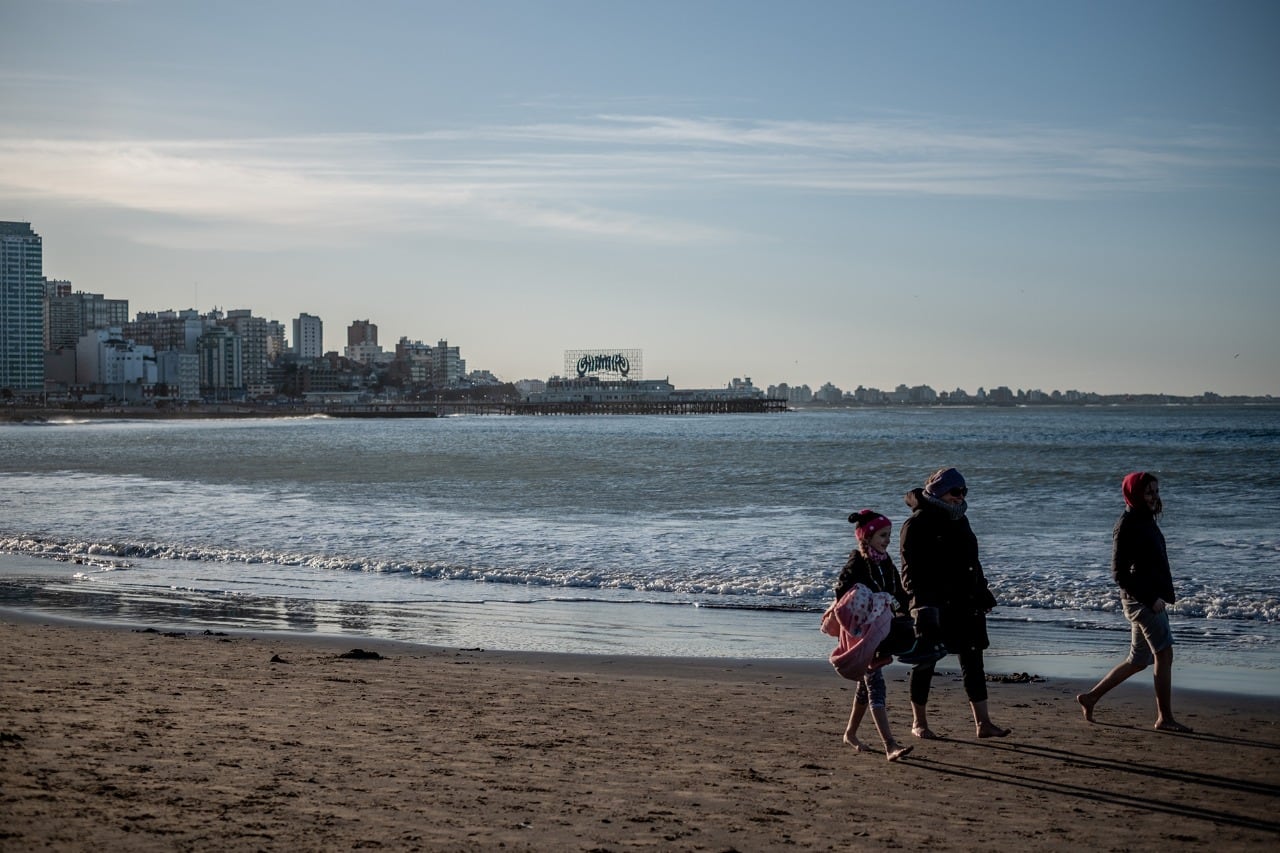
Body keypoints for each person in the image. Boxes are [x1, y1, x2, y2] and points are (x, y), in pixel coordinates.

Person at [899, 468, 1010, 740]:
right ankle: (919, 723)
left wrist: (983, 594)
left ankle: (983, 723)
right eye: (954, 492)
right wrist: (920, 607)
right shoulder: (916, 524)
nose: (960, 497)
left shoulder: (961, 520)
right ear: (938, 491)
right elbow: (909, 572)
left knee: (973, 662)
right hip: (933, 606)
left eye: (963, 492)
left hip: (966, 603)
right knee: (926, 662)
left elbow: (973, 563)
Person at [1077, 473, 1193, 732]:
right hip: (1142, 601)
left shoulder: (1145, 518)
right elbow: (1118, 572)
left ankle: (1090, 697)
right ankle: (1165, 718)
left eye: (1156, 491)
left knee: (1138, 660)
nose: (1154, 496)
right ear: (1134, 493)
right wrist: (1151, 599)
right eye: (1149, 492)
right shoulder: (1127, 523)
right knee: (1164, 653)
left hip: (1147, 599)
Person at [833, 509, 914, 762]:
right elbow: (842, 594)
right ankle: (890, 745)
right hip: (862, 633)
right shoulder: (857, 561)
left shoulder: (886, 561)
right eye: (882, 535)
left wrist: (904, 608)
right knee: (875, 684)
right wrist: (866, 603)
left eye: (889, 535)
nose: (887, 539)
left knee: (864, 687)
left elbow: (898, 591)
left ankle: (850, 733)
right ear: (866, 537)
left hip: (881, 631)